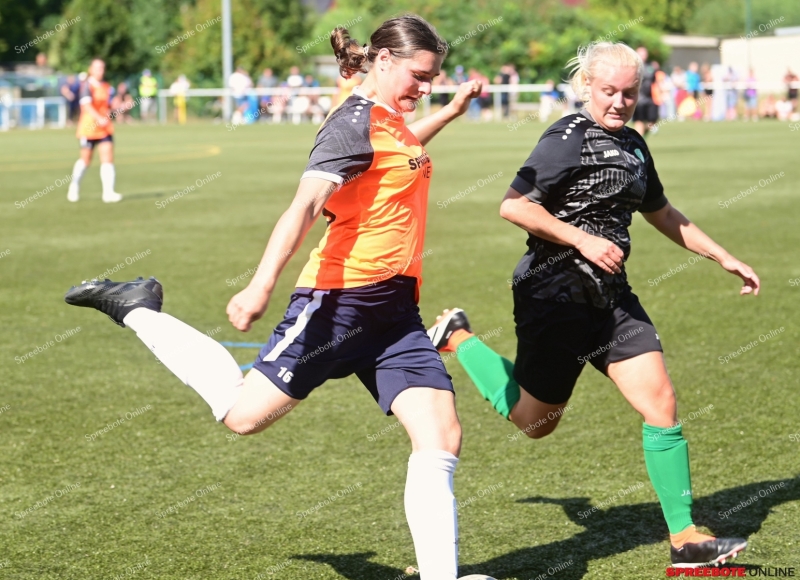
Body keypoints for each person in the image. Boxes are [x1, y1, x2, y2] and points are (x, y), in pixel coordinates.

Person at [64, 15, 486, 580]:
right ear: (384, 62)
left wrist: (450, 113)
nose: (425, 88)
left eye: (433, 78)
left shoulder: (390, 115)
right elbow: (305, 207)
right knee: (243, 417)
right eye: (419, 76)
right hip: (339, 303)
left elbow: (398, 156)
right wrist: (261, 283)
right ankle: (138, 307)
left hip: (395, 311)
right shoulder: (351, 122)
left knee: (440, 433)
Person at [427, 41, 757, 568]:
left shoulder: (633, 144)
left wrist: (723, 256)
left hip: (609, 297)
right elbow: (513, 206)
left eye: (629, 92)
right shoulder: (565, 138)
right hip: (553, 294)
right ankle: (459, 339)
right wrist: (579, 239)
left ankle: (686, 539)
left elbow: (661, 211)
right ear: (586, 86)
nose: (620, 102)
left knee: (661, 402)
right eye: (609, 91)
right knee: (537, 423)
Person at [66, 58, 122, 203]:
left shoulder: (107, 86)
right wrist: (98, 118)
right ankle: (74, 185)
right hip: (88, 128)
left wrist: (119, 106)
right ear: (91, 69)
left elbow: (110, 107)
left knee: (108, 159)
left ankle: (108, 193)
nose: (100, 71)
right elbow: (86, 106)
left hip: (104, 128)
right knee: (85, 161)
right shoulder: (87, 86)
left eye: (102, 68)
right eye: (97, 68)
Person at [632, 47, 658, 136]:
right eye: (641, 54)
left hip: (650, 99)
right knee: (639, 121)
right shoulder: (632, 67)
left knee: (652, 122)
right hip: (638, 100)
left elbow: (655, 82)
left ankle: (641, 136)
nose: (643, 56)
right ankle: (638, 141)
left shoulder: (651, 67)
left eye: (644, 54)